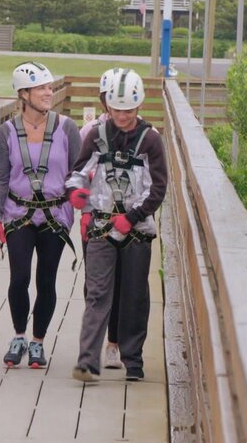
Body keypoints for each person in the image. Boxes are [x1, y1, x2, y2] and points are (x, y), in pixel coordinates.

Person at [67, 69, 168, 382]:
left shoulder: (151, 140)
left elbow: (159, 187)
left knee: (135, 295)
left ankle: (133, 361)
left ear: (138, 107)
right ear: (107, 106)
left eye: (128, 109)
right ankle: (87, 362)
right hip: (100, 225)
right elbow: (79, 171)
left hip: (136, 230)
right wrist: (75, 192)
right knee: (97, 294)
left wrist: (133, 217)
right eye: (116, 109)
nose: (122, 115)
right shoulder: (97, 135)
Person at [0, 62, 82, 369]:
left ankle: (38, 342)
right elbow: (0, 177)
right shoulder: (6, 132)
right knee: (20, 278)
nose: (48, 92)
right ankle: (18, 336)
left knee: (46, 280)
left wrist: (81, 200)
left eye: (49, 86)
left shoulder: (66, 128)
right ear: (23, 94)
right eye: (41, 88)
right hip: (18, 214)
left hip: (55, 214)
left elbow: (77, 172)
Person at [79, 67, 124, 370]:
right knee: (95, 285)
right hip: (95, 218)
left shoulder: (145, 134)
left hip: (128, 221)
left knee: (121, 284)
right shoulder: (90, 132)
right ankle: (91, 346)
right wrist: (82, 213)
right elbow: (79, 174)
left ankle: (114, 343)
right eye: (111, 98)